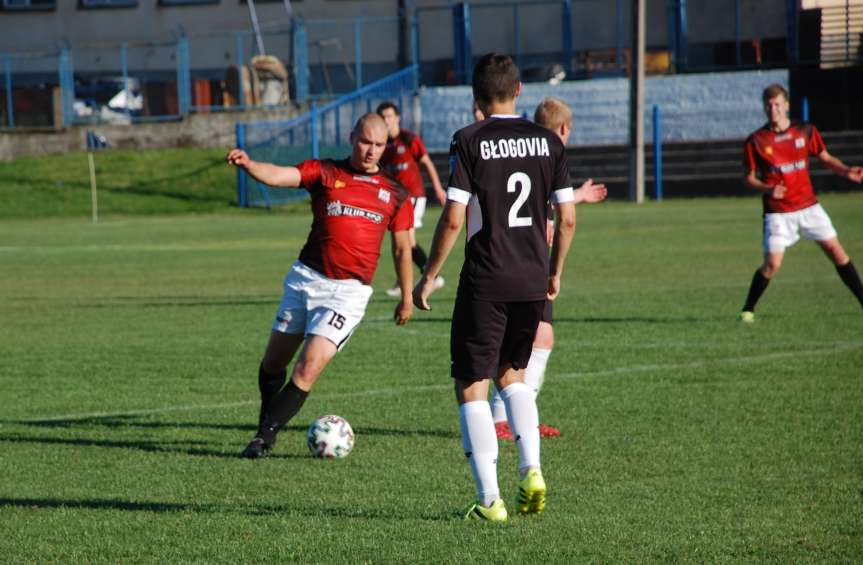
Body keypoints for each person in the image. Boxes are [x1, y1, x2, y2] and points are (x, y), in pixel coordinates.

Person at [413, 54, 577, 522]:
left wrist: (429, 277)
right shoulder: (549, 142)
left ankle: (489, 501)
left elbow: (453, 216)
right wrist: (554, 270)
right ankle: (532, 469)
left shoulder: (468, 140)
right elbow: (566, 217)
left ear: (475, 96)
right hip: (530, 277)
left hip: (486, 278)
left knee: (472, 386)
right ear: (519, 90)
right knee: (514, 377)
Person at [226, 113, 416, 459]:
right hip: (305, 280)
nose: (371, 151)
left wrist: (407, 297)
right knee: (273, 364)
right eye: (365, 142)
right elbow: (282, 175)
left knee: (307, 366)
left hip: (348, 294)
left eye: (379, 145)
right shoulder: (326, 172)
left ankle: (263, 437)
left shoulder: (395, 192)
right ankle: (265, 425)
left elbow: (403, 247)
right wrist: (250, 165)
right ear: (351, 137)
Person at [488, 97, 607, 441]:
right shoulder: (552, 153)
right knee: (530, 337)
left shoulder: (522, 149)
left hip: (512, 255)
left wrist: (577, 196)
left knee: (539, 335)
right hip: (531, 259)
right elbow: (560, 214)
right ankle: (506, 418)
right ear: (566, 128)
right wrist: (555, 269)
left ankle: (518, 416)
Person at [738, 83, 863, 322]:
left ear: (786, 105)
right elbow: (748, 178)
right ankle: (748, 309)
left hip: (808, 206)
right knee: (772, 264)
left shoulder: (804, 131)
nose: (772, 109)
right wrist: (768, 189)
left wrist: (846, 171)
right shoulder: (756, 141)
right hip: (778, 212)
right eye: (768, 105)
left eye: (777, 104)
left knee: (836, 251)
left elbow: (825, 157)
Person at [376, 101, 448, 297]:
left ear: (397, 118)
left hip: (414, 197)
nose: (387, 120)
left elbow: (427, 163)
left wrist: (438, 188)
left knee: (408, 240)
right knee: (402, 240)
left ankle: (433, 276)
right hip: (397, 200)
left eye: (389, 116)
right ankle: (403, 279)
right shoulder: (381, 144)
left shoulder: (409, 139)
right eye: (383, 117)